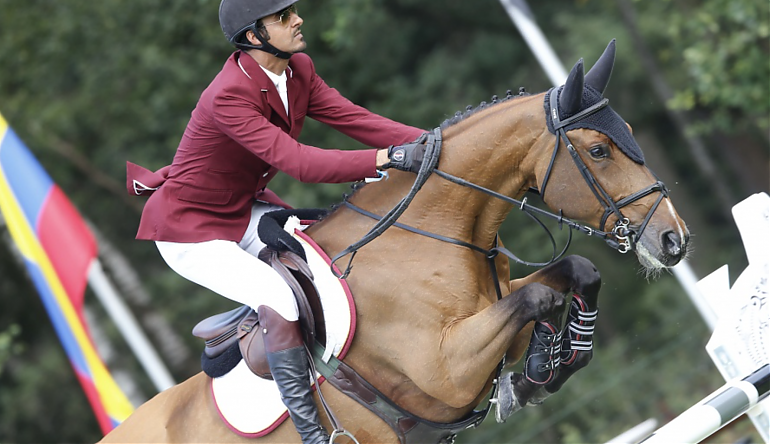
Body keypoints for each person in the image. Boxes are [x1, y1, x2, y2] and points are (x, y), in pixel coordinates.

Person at [126, 0, 426, 442]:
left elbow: (356, 120)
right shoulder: (229, 95)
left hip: (241, 208)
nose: (298, 19)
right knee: (278, 297)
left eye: (293, 11)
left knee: (337, 253)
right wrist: (386, 159)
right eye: (283, 16)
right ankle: (310, 431)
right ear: (253, 36)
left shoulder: (298, 70)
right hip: (189, 230)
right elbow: (299, 163)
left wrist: (437, 144)